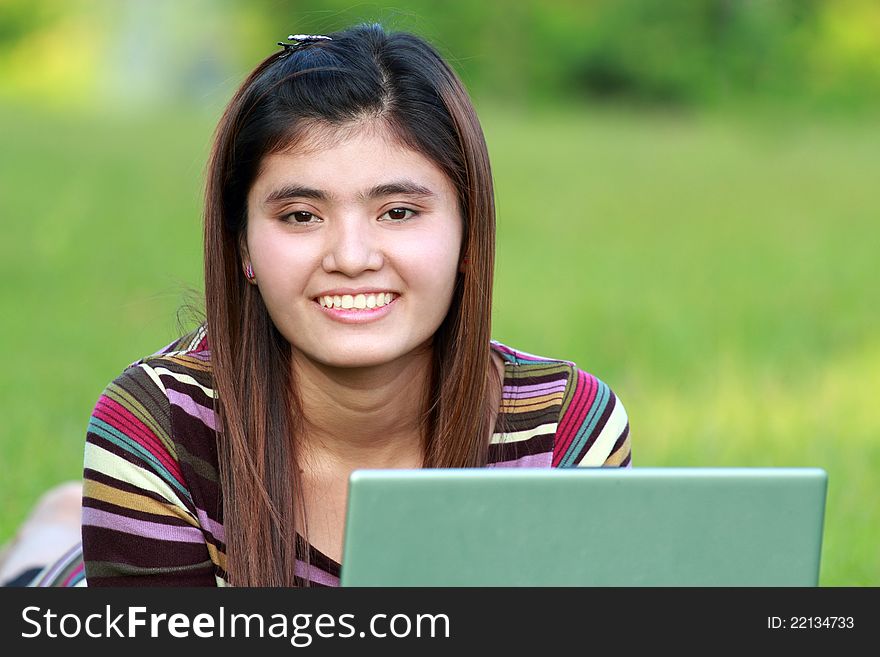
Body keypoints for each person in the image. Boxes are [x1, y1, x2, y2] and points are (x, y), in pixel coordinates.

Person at [7, 22, 630, 587]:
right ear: (242, 245)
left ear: (468, 236)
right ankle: (49, 542)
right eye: (301, 216)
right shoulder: (158, 428)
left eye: (399, 212)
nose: (352, 256)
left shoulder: (565, 431)